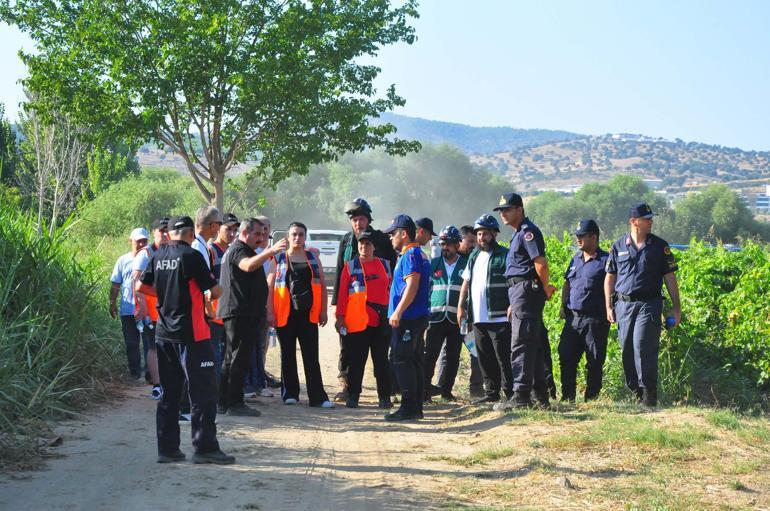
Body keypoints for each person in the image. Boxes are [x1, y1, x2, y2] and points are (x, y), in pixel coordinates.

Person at [136, 216, 234, 465]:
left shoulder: (158, 256)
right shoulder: (191, 256)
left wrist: (168, 295)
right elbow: (213, 289)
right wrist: (216, 291)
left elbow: (140, 286)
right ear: (190, 233)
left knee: (169, 393)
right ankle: (205, 448)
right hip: (193, 334)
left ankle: (167, 449)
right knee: (203, 392)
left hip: (164, 333)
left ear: (169, 234)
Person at [605, 202, 681, 408]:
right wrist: (608, 306)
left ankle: (649, 396)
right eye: (647, 219)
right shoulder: (618, 246)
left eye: (651, 218)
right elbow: (610, 278)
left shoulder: (659, 246)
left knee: (643, 346)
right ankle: (636, 392)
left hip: (649, 304)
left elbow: (670, 279)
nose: (651, 222)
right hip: (623, 306)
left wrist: (676, 308)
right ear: (633, 222)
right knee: (627, 349)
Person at [217, 218, 285, 416]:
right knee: (237, 358)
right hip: (239, 312)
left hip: (242, 312)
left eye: (264, 234)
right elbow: (246, 266)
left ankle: (224, 402)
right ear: (245, 232)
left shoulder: (242, 249)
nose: (261, 238)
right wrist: (270, 252)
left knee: (233, 358)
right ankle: (234, 403)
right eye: (257, 234)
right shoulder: (239, 249)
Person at [495, 193, 557, 409]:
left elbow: (540, 264)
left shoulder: (527, 232)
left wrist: (545, 287)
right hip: (520, 292)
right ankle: (541, 396)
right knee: (533, 345)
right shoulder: (518, 234)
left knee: (521, 343)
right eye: (501, 210)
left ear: (520, 209)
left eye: (507, 209)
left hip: (526, 290)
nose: (503, 213)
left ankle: (521, 397)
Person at [331, 198, 397, 402]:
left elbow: (392, 273)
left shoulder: (381, 240)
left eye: (361, 219)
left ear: (368, 220)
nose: (358, 224)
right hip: (353, 310)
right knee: (349, 351)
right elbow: (340, 271)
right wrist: (338, 310)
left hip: (379, 312)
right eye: (354, 220)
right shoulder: (346, 240)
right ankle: (347, 386)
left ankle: (386, 393)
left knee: (380, 357)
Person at [272, 222, 334, 408]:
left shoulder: (313, 258)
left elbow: (322, 285)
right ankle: (290, 393)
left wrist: (323, 310)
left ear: (305, 237)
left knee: (311, 356)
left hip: (308, 314)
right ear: (288, 236)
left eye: (300, 234)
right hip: (285, 314)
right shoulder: (278, 258)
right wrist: (269, 312)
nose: (297, 237)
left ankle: (318, 397)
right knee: (287, 354)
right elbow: (270, 286)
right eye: (294, 234)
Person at [456, 215, 512, 405]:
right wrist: (461, 306)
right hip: (478, 317)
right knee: (485, 357)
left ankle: (510, 394)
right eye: (479, 234)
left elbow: (513, 283)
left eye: (485, 234)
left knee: (503, 358)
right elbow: (466, 281)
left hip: (499, 316)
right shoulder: (474, 256)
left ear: (494, 234)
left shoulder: (505, 255)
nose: (481, 238)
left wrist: (512, 304)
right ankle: (491, 393)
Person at [383, 214, 431, 421]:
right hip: (415, 316)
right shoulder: (415, 254)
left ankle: (409, 407)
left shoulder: (411, 255)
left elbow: (412, 286)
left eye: (393, 233)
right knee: (413, 360)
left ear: (404, 234)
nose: (391, 237)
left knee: (402, 360)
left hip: (409, 317)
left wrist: (398, 311)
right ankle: (415, 407)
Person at [558, 220, 610, 402]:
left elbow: (613, 287)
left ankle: (592, 399)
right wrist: (563, 306)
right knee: (566, 356)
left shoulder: (606, 261)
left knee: (594, 361)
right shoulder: (576, 259)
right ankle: (568, 397)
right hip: (573, 319)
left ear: (593, 237)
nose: (578, 239)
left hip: (595, 319)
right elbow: (567, 283)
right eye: (577, 236)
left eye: (582, 236)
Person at [436, 224, 484, 398]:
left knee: (476, 351)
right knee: (446, 353)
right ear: (459, 241)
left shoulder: (474, 261)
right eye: (469, 241)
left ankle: (477, 389)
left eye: (474, 242)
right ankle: (441, 388)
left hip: (468, 317)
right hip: (446, 317)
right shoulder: (444, 262)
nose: (472, 245)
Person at [423, 226, 467, 402]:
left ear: (457, 244)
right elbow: (425, 291)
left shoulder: (466, 264)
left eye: (449, 244)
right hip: (435, 318)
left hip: (456, 319)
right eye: (442, 244)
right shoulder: (433, 264)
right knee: (430, 355)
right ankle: (425, 391)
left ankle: (446, 391)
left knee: (453, 356)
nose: (445, 247)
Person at [132, 218, 169, 399]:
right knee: (153, 348)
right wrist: (143, 307)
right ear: (154, 232)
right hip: (152, 311)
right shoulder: (146, 253)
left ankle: (169, 383)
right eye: (161, 230)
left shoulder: (172, 251)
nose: (165, 233)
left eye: (167, 230)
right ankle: (157, 385)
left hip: (168, 310)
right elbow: (136, 280)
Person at [244, 214, 278, 397]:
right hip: (250, 307)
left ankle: (260, 379)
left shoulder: (273, 253)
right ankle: (249, 382)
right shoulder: (250, 251)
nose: (263, 231)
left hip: (265, 306)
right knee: (250, 345)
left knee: (262, 345)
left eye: (266, 227)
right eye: (260, 228)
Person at [110, 227, 149, 379]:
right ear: (130, 241)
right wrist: (112, 303)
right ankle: (135, 373)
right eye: (138, 241)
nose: (141, 244)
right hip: (128, 309)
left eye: (144, 241)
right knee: (132, 343)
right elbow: (115, 284)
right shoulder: (123, 260)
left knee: (148, 343)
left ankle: (149, 374)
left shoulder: (151, 258)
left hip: (147, 309)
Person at [209, 212, 238, 380]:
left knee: (228, 356)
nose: (232, 234)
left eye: (235, 230)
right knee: (213, 355)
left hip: (229, 312)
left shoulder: (232, 251)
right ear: (218, 228)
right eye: (228, 229)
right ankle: (215, 393)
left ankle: (225, 392)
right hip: (214, 314)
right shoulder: (210, 251)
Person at [192, 206, 222, 270]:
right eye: (219, 223)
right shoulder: (198, 248)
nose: (219, 227)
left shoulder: (198, 244)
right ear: (212, 226)